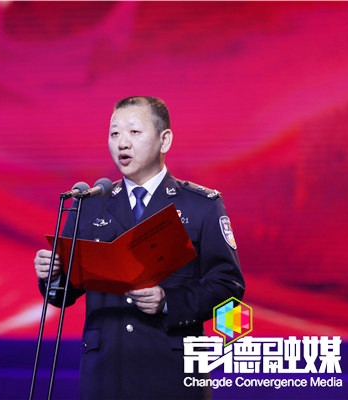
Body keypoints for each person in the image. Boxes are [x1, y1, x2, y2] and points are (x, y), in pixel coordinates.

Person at [33, 96, 245, 400]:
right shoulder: (90, 205)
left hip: (172, 373)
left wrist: (168, 301)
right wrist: (52, 274)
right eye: (114, 133)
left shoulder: (200, 206)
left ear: (164, 140)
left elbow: (228, 287)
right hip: (105, 375)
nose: (122, 143)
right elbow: (61, 295)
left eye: (134, 132)